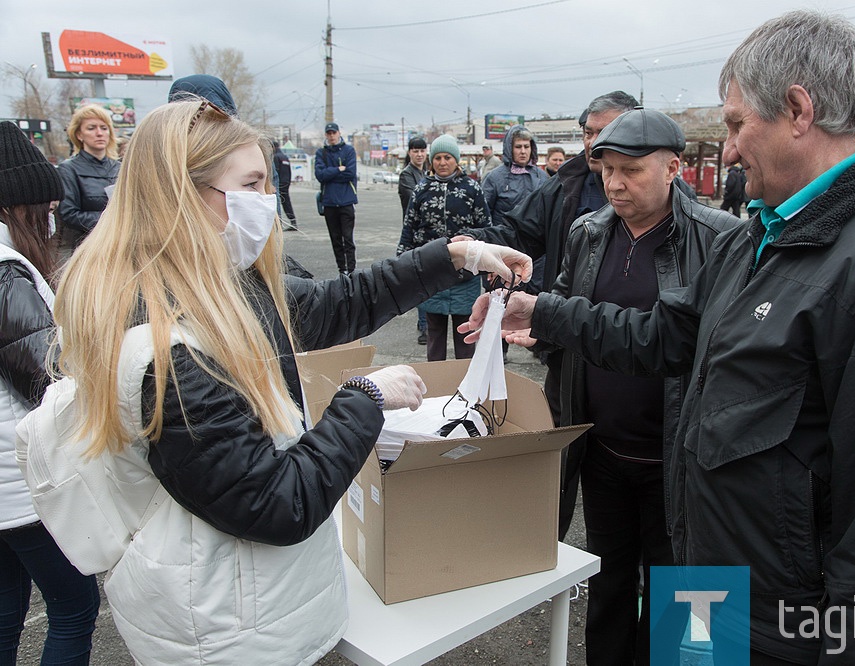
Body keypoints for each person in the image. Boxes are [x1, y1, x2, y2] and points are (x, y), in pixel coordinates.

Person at [463, 11, 855, 664]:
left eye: (735, 125)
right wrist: (543, 312)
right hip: (709, 576)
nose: (727, 150)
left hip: (779, 627)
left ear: (798, 110)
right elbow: (665, 339)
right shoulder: (765, 235)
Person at [49, 101, 529, 665]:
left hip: (253, 599)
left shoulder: (216, 285)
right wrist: (366, 399)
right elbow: (275, 502)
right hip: (226, 623)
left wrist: (456, 254)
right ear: (181, 193)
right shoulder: (173, 346)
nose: (266, 202)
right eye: (250, 184)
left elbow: (337, 303)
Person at [537, 108, 738, 665]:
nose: (615, 183)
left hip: (684, 462)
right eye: (605, 169)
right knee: (607, 585)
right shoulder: (587, 232)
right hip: (603, 454)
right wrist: (537, 332)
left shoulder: (721, 241)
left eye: (631, 169)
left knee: (693, 601)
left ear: (675, 167)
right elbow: (564, 312)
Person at [459, 90, 638, 539]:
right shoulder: (566, 183)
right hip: (568, 345)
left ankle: (647, 581)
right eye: (588, 134)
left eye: (607, 133)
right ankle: (547, 555)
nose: (595, 145)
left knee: (633, 491)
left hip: (638, 360)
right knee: (561, 458)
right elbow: (517, 231)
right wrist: (469, 249)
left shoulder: (690, 218)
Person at [0, 121, 101, 665]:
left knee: (5, 613)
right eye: (43, 210)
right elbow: (48, 379)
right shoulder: (6, 274)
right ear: (18, 207)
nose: (50, 222)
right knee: (74, 605)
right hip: (18, 488)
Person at [398, 135, 490, 362]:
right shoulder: (421, 189)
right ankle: (436, 386)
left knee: (466, 335)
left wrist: (488, 265)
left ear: (456, 160)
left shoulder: (472, 189)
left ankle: (466, 389)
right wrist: (401, 260)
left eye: (447, 157)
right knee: (435, 334)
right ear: (431, 161)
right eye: (437, 157)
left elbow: (486, 228)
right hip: (432, 271)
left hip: (465, 273)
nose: (442, 162)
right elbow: (409, 226)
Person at [56, 104, 120, 249]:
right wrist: (113, 219)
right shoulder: (68, 169)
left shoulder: (120, 168)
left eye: (104, 128)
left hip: (120, 246)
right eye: (91, 128)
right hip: (88, 247)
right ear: (79, 134)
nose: (99, 133)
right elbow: (69, 214)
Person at [481, 124, 546, 227]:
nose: (523, 151)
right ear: (509, 148)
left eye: (526, 146)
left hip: (535, 239)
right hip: (502, 239)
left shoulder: (542, 177)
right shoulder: (494, 178)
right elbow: (484, 212)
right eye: (518, 147)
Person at [315, 122, 358, 273]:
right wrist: (338, 169)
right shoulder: (322, 153)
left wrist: (331, 174)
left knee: (348, 238)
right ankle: (342, 269)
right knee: (335, 239)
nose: (332, 136)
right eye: (329, 133)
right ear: (326, 135)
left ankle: (351, 269)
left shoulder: (349, 151)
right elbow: (320, 175)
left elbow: (350, 173)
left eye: (334, 133)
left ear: (339, 133)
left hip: (346, 201)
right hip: (329, 202)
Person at [399, 137, 430, 345]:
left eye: (422, 151)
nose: (419, 154)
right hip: (415, 235)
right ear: (409, 153)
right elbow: (417, 200)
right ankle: (424, 325)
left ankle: (425, 322)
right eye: (415, 151)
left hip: (426, 234)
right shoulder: (406, 176)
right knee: (423, 280)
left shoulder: (425, 173)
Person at [272, 140, 296, 230]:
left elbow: (276, 172)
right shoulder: (285, 157)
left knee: (278, 202)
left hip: (279, 184)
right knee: (286, 203)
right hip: (286, 182)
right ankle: (293, 221)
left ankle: (278, 224)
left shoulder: (275, 157)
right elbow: (289, 171)